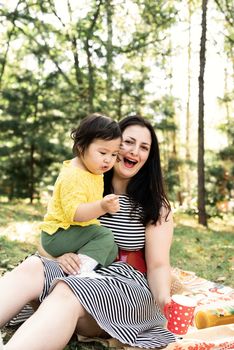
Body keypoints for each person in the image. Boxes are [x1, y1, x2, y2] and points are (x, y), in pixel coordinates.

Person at [0, 114, 177, 350]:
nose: (135, 151)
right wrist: (57, 257)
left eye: (144, 147)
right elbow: (52, 232)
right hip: (80, 271)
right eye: (128, 142)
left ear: (148, 157)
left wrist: (164, 299)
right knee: (33, 266)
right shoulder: (84, 183)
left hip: (124, 286)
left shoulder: (156, 205)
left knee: (68, 289)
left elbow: (158, 265)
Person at [40, 113, 122, 273]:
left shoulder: (93, 170)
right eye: (103, 152)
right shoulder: (74, 175)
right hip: (57, 234)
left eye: (114, 154)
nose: (108, 160)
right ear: (81, 147)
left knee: (111, 249)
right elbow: (76, 213)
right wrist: (102, 206)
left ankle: (78, 266)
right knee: (104, 235)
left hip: (71, 234)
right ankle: (79, 275)